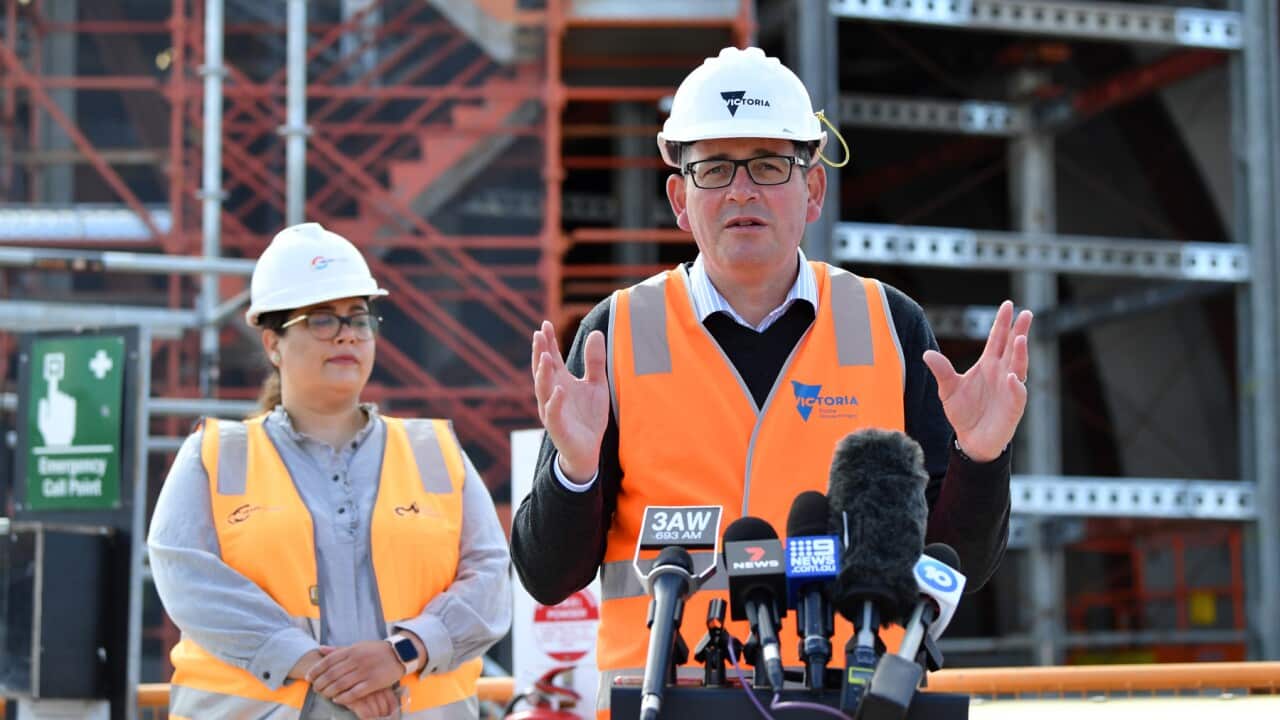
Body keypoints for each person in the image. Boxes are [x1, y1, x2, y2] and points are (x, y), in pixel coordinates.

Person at [510, 47, 1032, 712]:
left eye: (768, 164)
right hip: (666, 699)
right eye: (713, 168)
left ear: (813, 190)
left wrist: (979, 459)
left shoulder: (889, 326)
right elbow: (547, 578)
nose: (741, 190)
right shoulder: (614, 335)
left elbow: (958, 566)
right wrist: (575, 473)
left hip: (853, 699)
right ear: (679, 198)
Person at [149, 222, 511, 719]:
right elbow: (189, 578)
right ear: (273, 343)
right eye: (321, 319)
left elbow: (489, 580)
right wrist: (312, 665)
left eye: (358, 319)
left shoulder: (435, 453)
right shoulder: (216, 456)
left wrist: (401, 653)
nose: (346, 334)